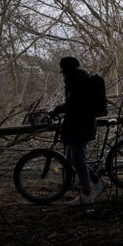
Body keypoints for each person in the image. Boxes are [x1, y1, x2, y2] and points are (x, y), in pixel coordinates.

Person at [50, 56, 103, 205]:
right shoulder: (79, 78)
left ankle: (87, 194)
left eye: (62, 67)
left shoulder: (76, 80)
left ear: (67, 68)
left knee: (78, 159)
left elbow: (73, 104)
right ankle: (97, 181)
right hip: (81, 124)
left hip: (80, 126)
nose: (60, 71)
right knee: (75, 159)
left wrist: (56, 110)